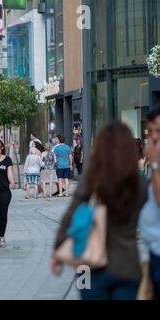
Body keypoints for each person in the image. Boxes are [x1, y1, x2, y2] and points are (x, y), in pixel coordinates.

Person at [52, 122, 147, 300]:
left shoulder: (92, 179)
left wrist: (58, 249)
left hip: (88, 266)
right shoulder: (139, 183)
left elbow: (71, 215)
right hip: (126, 265)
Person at [139, 107, 160, 300]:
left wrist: (154, 164)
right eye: (150, 131)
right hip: (153, 250)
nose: (153, 137)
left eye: (158, 131)